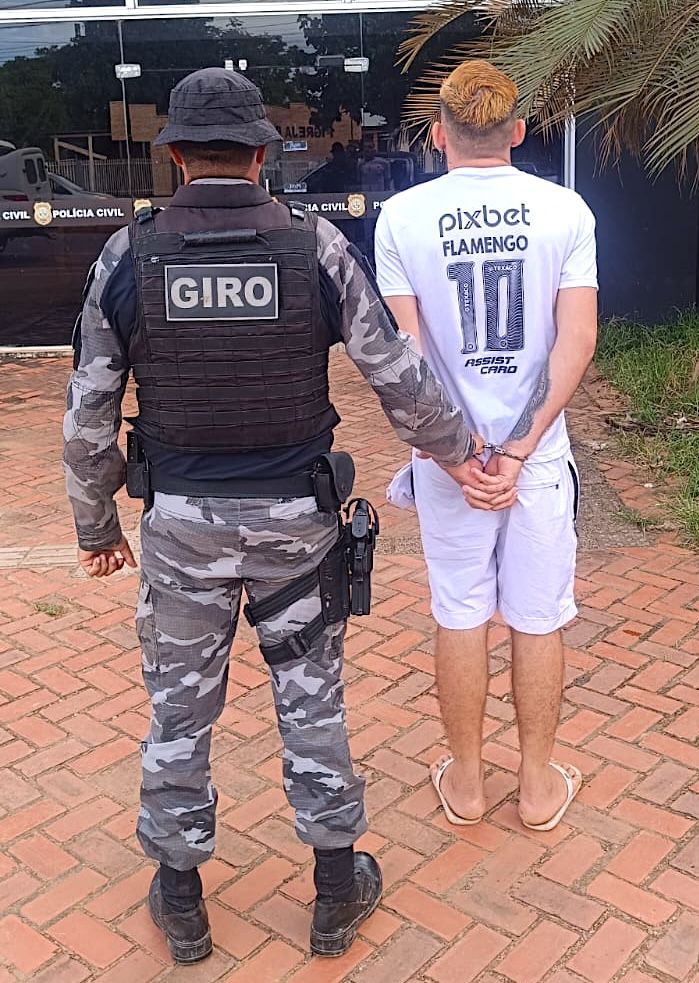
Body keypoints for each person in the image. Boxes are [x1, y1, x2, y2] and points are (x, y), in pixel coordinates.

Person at [63, 68, 485, 964]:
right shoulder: (314, 246)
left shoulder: (129, 255)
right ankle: (334, 890)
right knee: (311, 697)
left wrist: (96, 525)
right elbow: (396, 373)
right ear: (261, 155)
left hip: (181, 528)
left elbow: (88, 412)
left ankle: (182, 902)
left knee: (179, 710)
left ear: (177, 156)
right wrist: (461, 452)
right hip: (298, 523)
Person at [375, 61, 598, 833]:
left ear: (439, 135)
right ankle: (536, 787)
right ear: (518, 132)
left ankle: (468, 783)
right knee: (538, 618)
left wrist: (455, 456)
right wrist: (521, 447)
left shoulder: (401, 218)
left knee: (460, 611)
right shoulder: (565, 210)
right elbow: (578, 337)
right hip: (534, 460)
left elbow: (404, 357)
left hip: (450, 463)